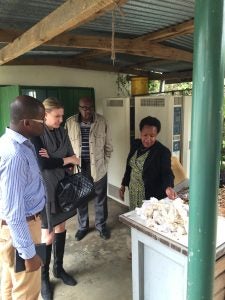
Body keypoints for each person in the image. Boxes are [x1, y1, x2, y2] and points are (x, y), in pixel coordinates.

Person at [32, 97, 80, 300]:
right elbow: (43, 165)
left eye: (62, 115)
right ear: (44, 115)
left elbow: (72, 156)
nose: (61, 119)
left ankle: (58, 269)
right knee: (47, 235)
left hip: (63, 187)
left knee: (61, 228)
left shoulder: (62, 132)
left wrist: (57, 158)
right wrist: (66, 159)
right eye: (57, 116)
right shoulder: (36, 134)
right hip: (44, 191)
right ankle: (44, 279)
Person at [0, 95, 46, 300]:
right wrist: (28, 254)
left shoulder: (8, 141)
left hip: (10, 229)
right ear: (26, 123)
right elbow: (14, 212)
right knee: (27, 292)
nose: (44, 124)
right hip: (22, 227)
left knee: (10, 282)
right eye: (41, 121)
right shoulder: (16, 155)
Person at [65, 97, 113, 241]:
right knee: (81, 199)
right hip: (79, 168)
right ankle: (82, 227)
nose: (87, 111)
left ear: (93, 108)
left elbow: (109, 147)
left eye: (90, 107)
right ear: (78, 108)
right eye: (84, 108)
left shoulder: (102, 121)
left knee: (100, 198)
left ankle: (101, 226)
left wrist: (104, 164)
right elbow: (66, 146)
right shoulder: (70, 122)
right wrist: (69, 164)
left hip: (98, 167)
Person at [119, 116, 177, 210]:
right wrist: (123, 185)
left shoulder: (162, 151)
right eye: (145, 135)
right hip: (133, 191)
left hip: (150, 195)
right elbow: (130, 167)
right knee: (134, 217)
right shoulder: (135, 144)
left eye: (152, 136)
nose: (148, 139)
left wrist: (168, 187)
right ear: (140, 133)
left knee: (147, 220)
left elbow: (167, 172)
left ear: (156, 135)